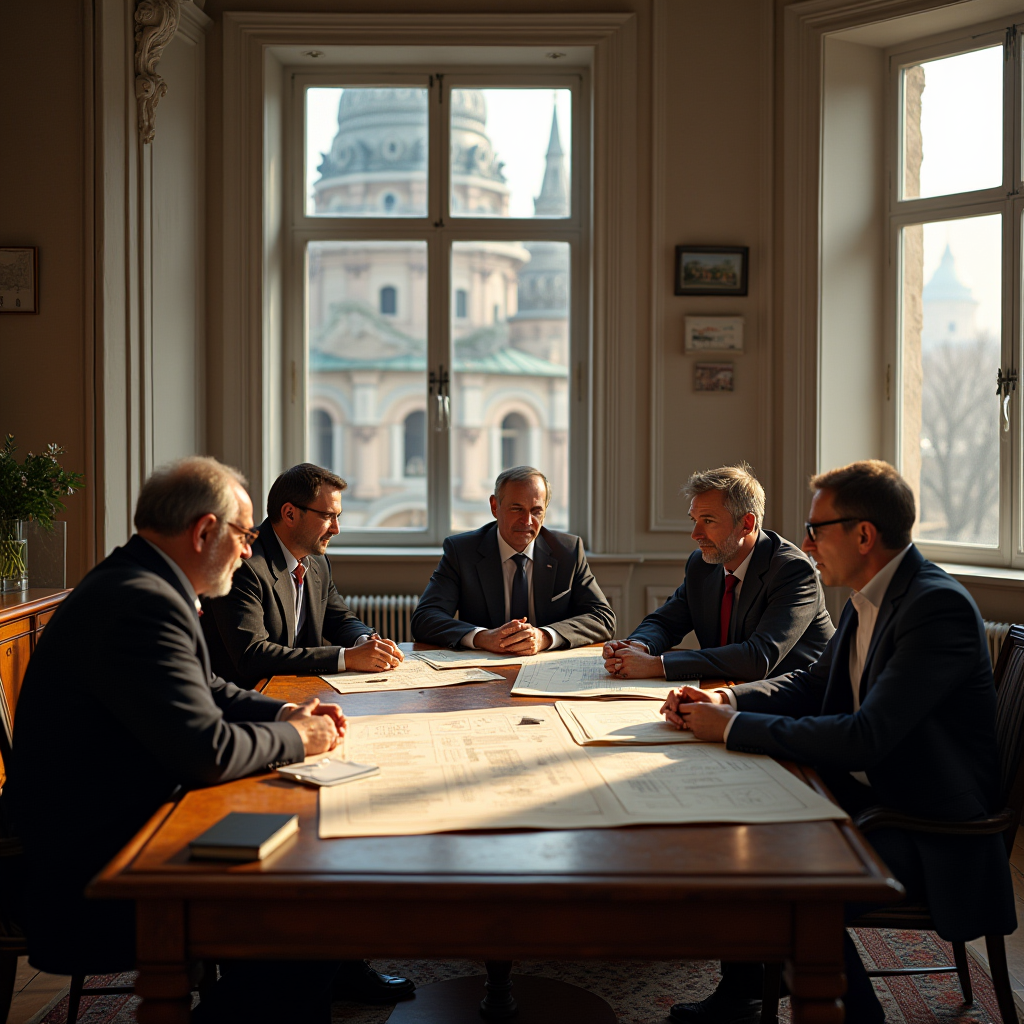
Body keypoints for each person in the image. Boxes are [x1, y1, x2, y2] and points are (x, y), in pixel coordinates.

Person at [6, 456, 412, 1022]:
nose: (248, 551)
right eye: (244, 536)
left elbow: (209, 688)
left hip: (127, 823)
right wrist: (299, 738)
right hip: (94, 866)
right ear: (204, 532)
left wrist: (284, 711)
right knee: (310, 913)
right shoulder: (143, 603)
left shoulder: (142, 582)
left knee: (309, 875)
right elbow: (209, 752)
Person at [662, 460, 1016, 1024]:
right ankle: (744, 994)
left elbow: (866, 737)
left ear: (863, 535)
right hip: (873, 797)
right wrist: (728, 701)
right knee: (738, 836)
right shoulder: (869, 596)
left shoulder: (935, 606)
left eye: (816, 530)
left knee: (779, 889)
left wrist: (728, 727)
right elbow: (812, 683)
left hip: (927, 828)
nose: (805, 544)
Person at [604, 464, 833, 682]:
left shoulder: (792, 571)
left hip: (800, 701)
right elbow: (665, 622)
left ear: (746, 523)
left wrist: (658, 665)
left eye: (708, 520)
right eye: (694, 520)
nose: (695, 534)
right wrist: (637, 646)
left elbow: (757, 658)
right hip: (727, 692)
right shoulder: (702, 564)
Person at [202, 463, 404, 689]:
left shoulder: (317, 562)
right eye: (327, 516)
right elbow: (253, 655)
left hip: (299, 690)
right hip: (248, 697)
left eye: (338, 517)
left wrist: (366, 641)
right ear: (290, 514)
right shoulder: (243, 564)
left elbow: (339, 618)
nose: (336, 529)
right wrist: (345, 658)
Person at [412, 466, 615, 653]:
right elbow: (425, 618)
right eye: (517, 509)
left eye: (536, 511)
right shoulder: (463, 551)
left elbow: (603, 618)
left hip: (547, 668)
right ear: (495, 506)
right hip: (481, 669)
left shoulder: (567, 551)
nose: (527, 521)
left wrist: (545, 637)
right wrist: (482, 637)